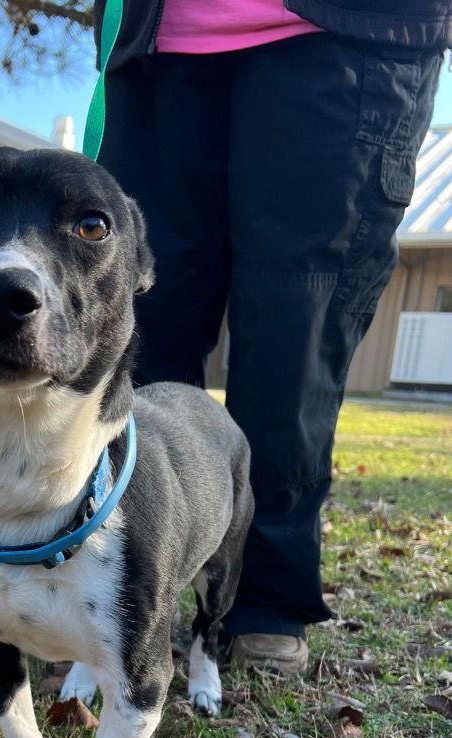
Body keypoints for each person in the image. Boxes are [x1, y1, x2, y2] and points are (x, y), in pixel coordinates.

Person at [93, 0, 449, 673]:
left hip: (345, 37)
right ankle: (120, 575)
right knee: (139, 328)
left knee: (293, 339)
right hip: (158, 42)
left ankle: (261, 600)